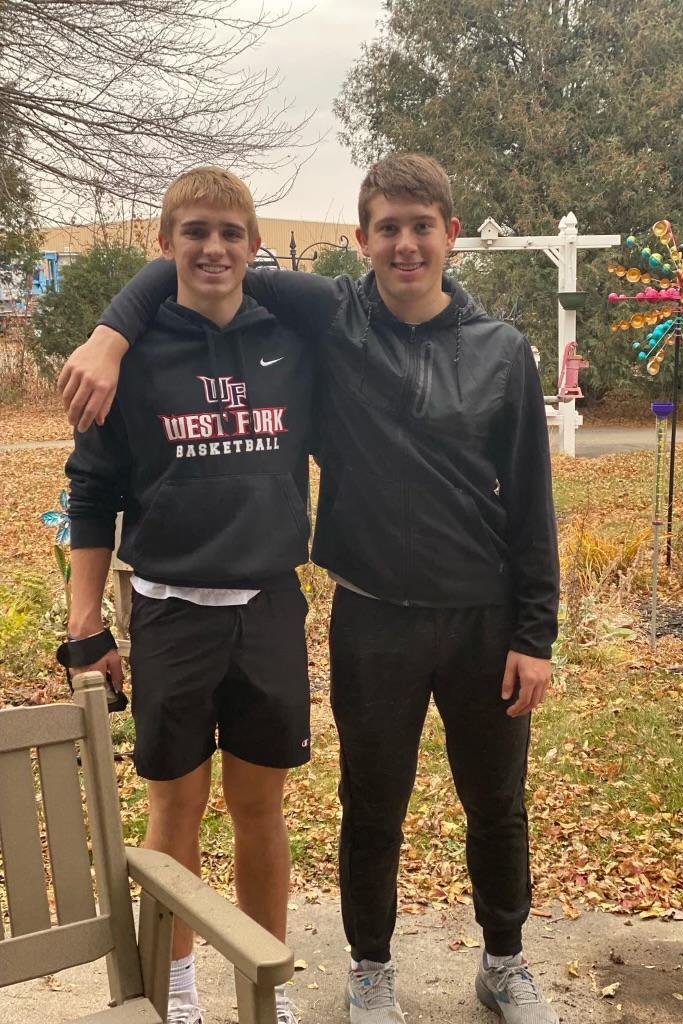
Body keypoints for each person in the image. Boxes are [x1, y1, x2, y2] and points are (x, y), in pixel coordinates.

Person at [60, 154, 561, 1024]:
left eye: (422, 226)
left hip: (445, 615)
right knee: (352, 805)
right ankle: (326, 973)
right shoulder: (332, 318)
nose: (405, 245)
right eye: (388, 229)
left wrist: (535, 632)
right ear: (362, 240)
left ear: (451, 234)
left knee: (488, 804)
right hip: (341, 612)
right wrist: (110, 333)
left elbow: (531, 499)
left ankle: (491, 962)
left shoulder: (477, 349)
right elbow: (192, 260)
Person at [62, 167, 312, 1024]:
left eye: (231, 233)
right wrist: (87, 623)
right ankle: (176, 990)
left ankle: (265, 989)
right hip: (169, 611)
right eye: (195, 231)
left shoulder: (292, 341)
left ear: (254, 246)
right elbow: (91, 495)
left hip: (269, 607)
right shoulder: (126, 357)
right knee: (176, 809)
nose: (213, 248)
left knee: (260, 810)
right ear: (163, 243)